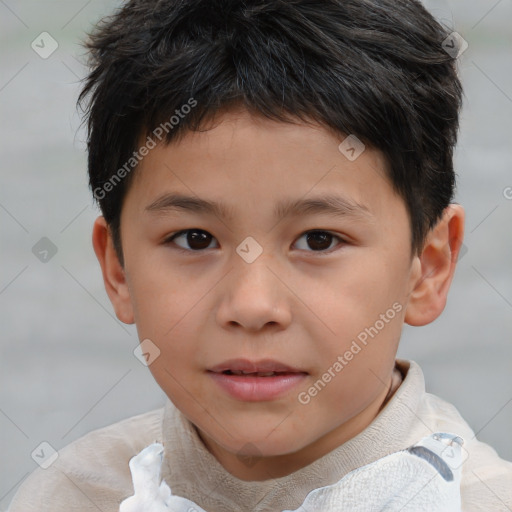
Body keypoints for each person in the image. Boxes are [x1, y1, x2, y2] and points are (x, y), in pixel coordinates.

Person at [8, 0, 512, 510]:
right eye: (195, 239)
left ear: (429, 266)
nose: (252, 306)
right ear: (117, 268)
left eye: (319, 240)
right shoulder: (67, 497)